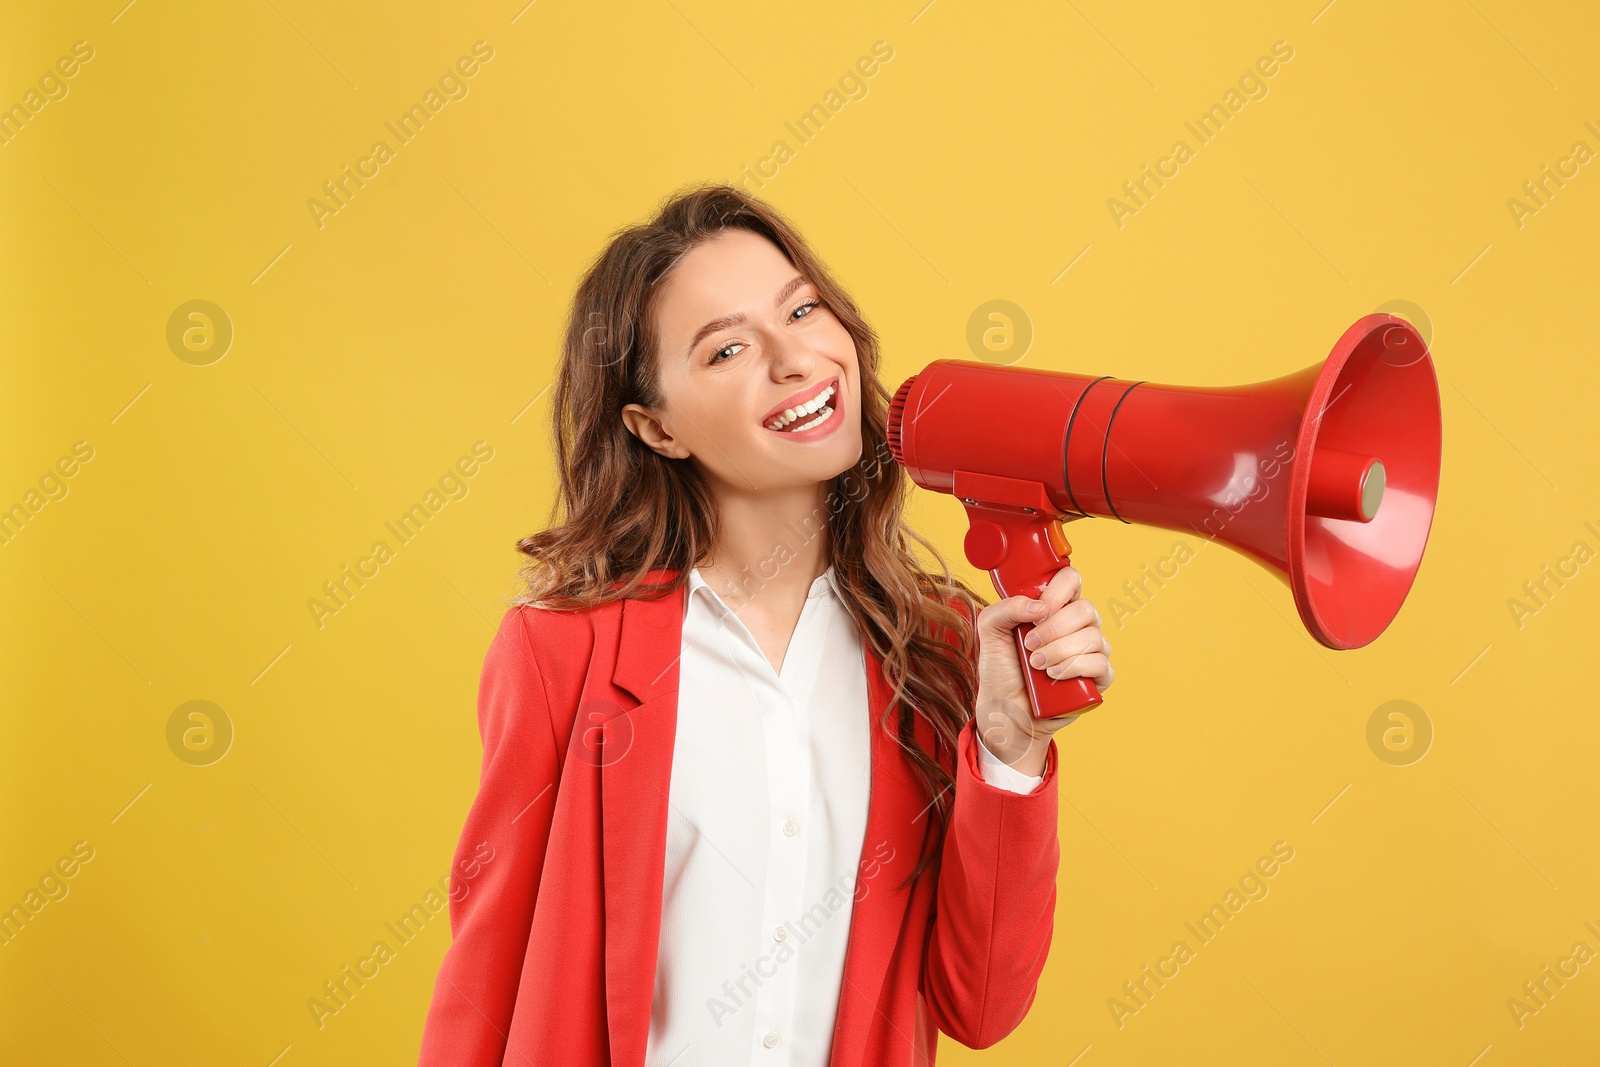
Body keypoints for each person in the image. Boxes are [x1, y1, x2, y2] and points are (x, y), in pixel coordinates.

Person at [417, 183, 1114, 1066]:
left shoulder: (939, 643)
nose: (795, 360)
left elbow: (979, 1005)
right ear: (655, 426)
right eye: (729, 348)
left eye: (804, 308)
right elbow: (488, 978)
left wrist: (1009, 749)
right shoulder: (563, 649)